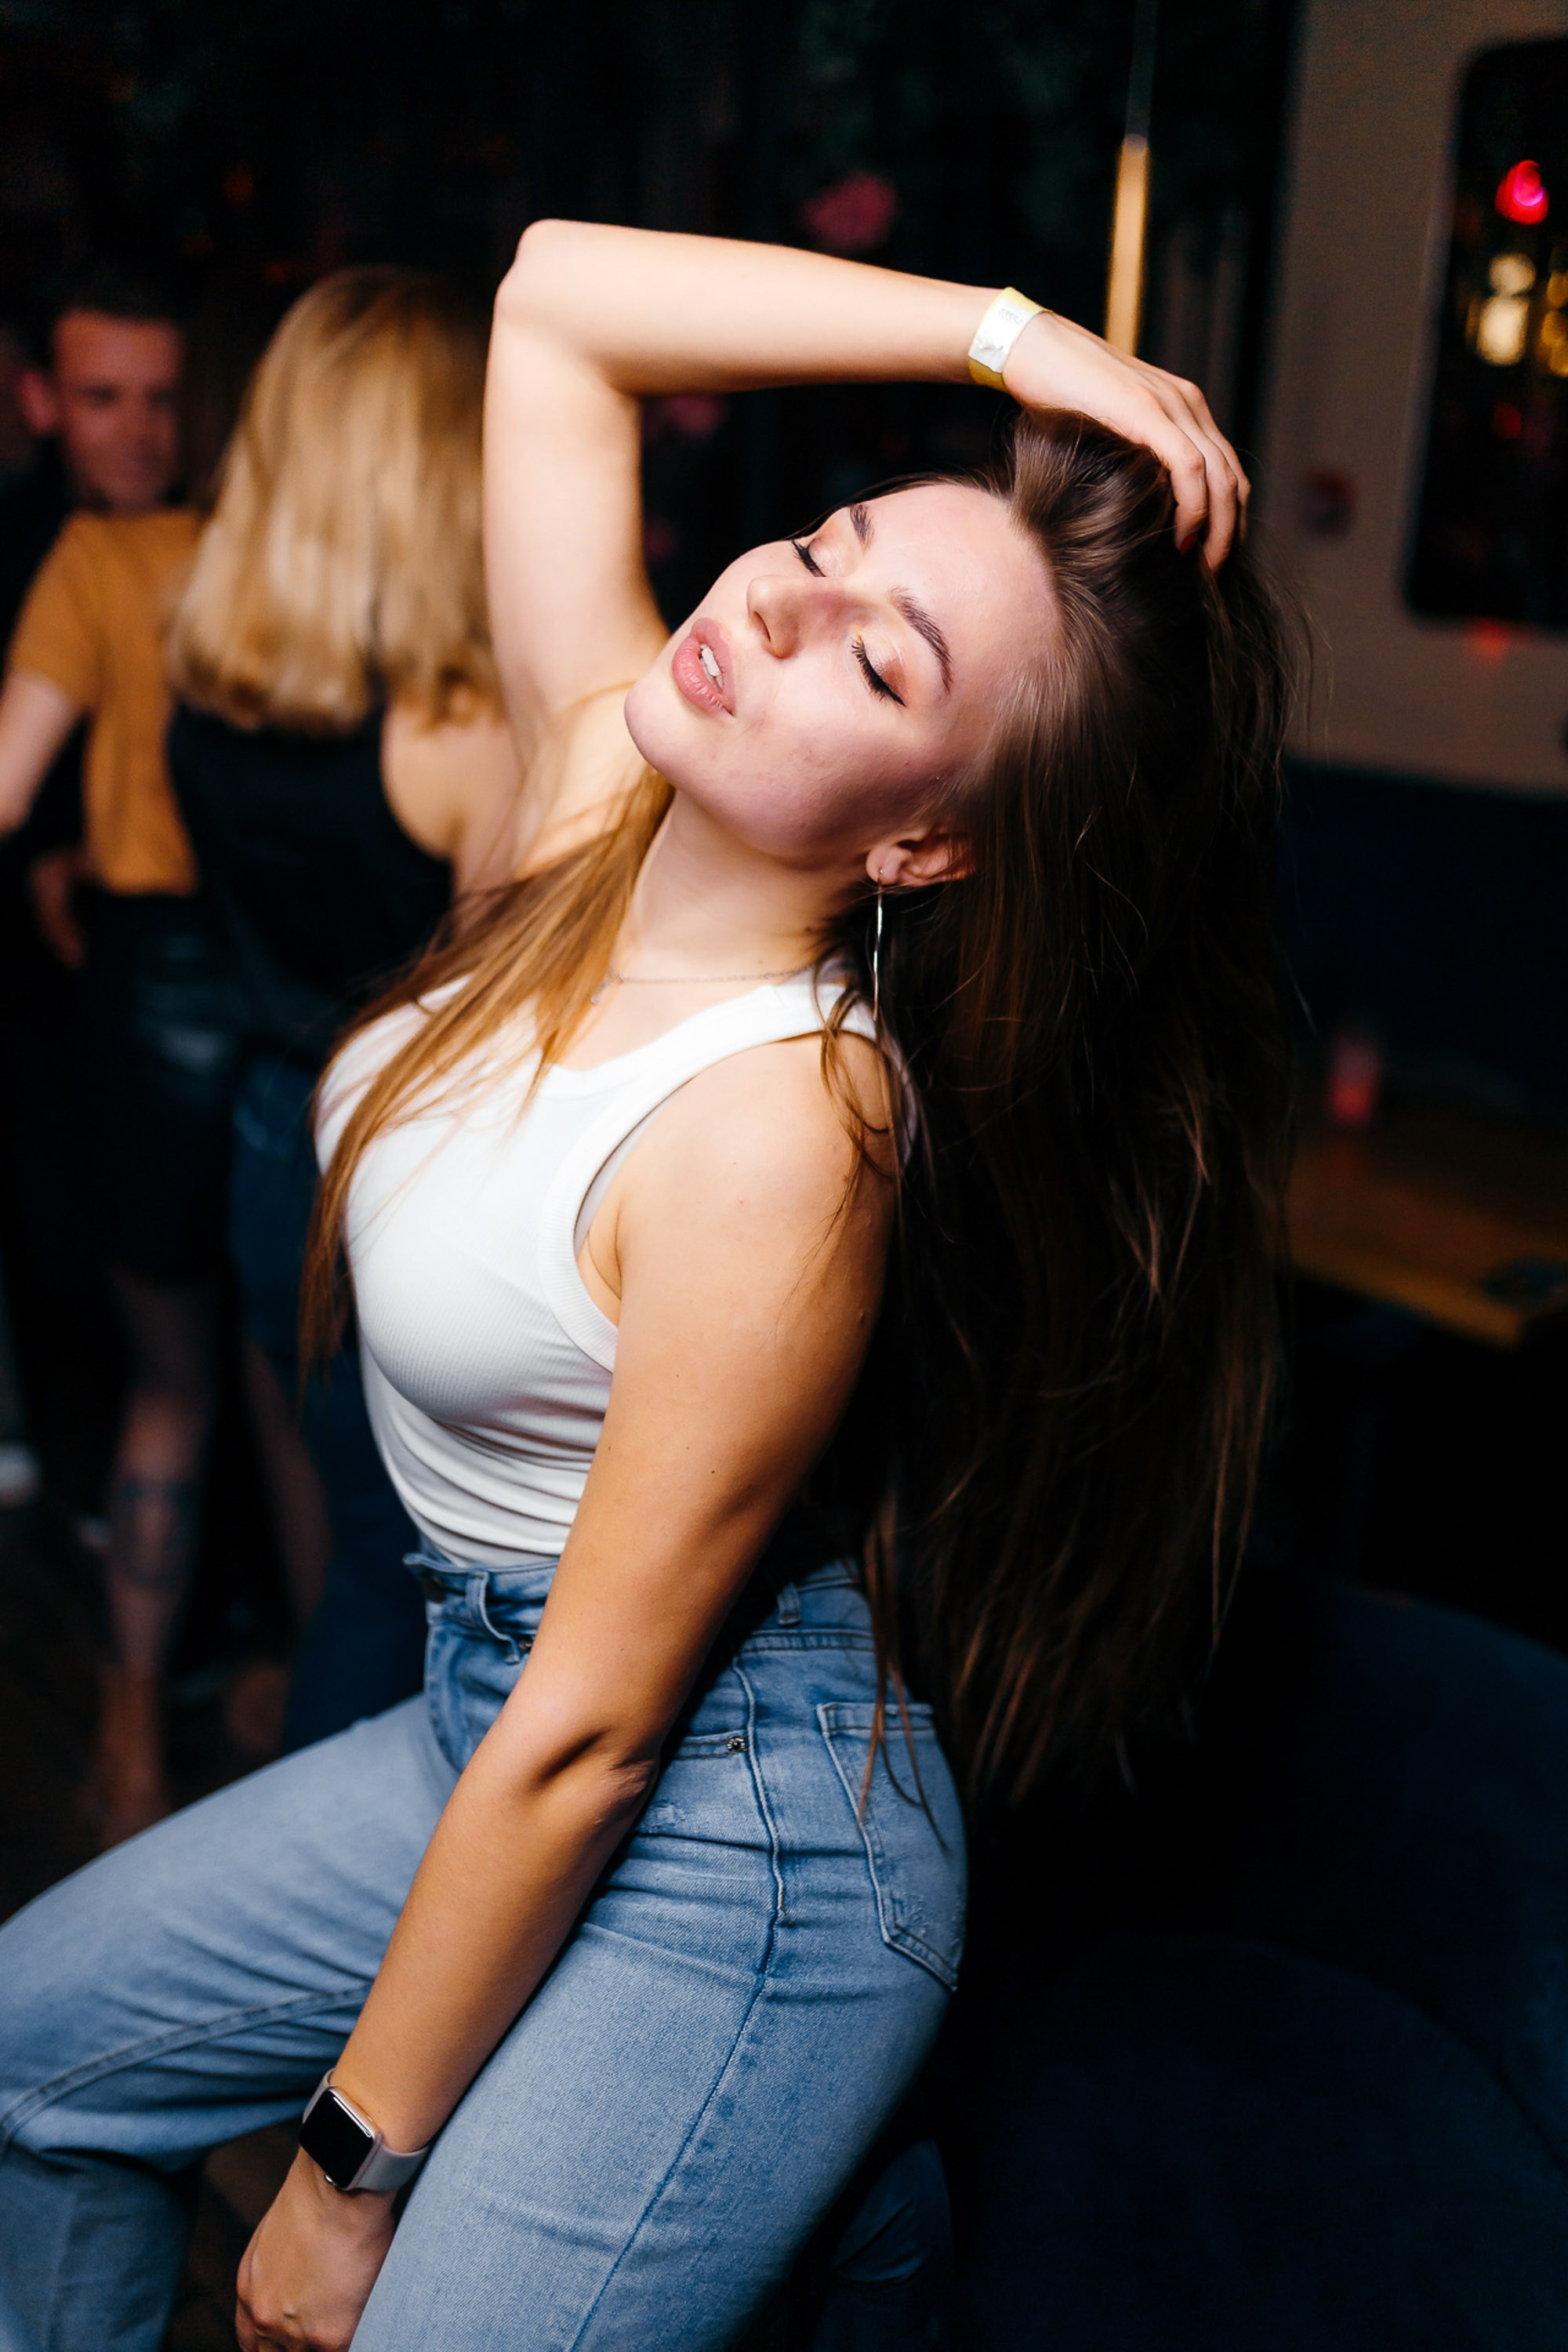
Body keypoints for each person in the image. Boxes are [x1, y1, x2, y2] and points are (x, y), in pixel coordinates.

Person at [0, 223, 1290, 2351]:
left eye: (882, 665)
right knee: (35, 2066)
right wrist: (1010, 340)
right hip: (475, 1711)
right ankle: (849, 2236)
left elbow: (603, 1732)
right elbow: (553, 304)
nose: (784, 601)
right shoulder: (600, 774)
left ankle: (825, 2194)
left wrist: (342, 2181)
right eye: (833, 532)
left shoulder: (789, 1128)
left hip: (736, 1847)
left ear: (927, 847)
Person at [163, 267, 523, 1747]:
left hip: (258, 1129)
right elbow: (514, 1019)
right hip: (393, 1165)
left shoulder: (213, 684)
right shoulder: (460, 731)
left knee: (340, 1533)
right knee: (401, 1579)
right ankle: (338, 1939)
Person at [0, 269, 187, 1516]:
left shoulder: (234, 536)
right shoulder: (28, 549)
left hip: (177, 953)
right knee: (57, 1238)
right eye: (102, 396)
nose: (137, 428)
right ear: (42, 399)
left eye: (163, 399)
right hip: (38, 964)